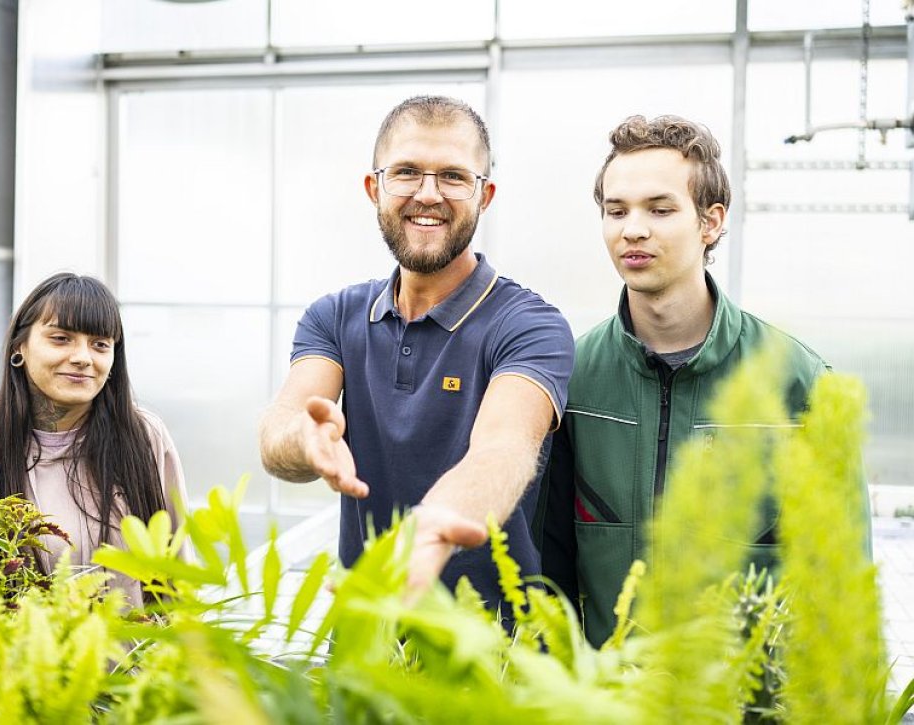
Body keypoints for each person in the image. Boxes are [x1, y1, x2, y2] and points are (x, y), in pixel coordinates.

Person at [538, 115, 862, 646]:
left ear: (710, 222)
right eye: (615, 211)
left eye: (660, 210)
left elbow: (841, 583)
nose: (632, 229)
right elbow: (549, 568)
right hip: (609, 699)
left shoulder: (799, 386)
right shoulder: (574, 380)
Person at [258, 95, 574, 621]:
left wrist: (432, 526)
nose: (428, 195)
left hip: (498, 658)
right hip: (368, 642)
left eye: (453, 176)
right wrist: (306, 441)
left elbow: (504, 448)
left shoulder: (529, 325)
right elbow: (281, 429)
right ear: (374, 188)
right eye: (406, 172)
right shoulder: (335, 317)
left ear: (484, 195)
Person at [0, 272, 189, 608]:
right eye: (61, 338)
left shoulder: (144, 438)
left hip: (130, 660)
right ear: (19, 347)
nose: (83, 357)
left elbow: (179, 571)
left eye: (100, 344)